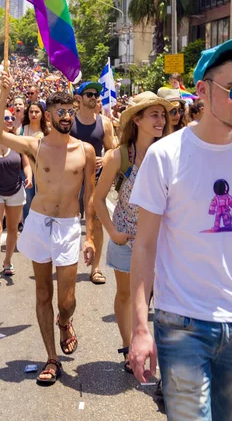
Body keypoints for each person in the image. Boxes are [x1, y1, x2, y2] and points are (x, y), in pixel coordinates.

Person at [129, 40, 232, 420]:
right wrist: (141, 329)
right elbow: (144, 247)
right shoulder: (165, 156)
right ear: (202, 91)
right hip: (183, 325)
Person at [0, 71, 96, 385]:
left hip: (67, 226)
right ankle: (51, 358)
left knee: (67, 300)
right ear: (50, 116)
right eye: (60, 112)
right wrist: (4, 94)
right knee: (42, 292)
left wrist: (89, 235)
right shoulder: (34, 145)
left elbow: (89, 195)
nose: (66, 117)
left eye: (70, 112)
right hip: (38, 223)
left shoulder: (85, 151)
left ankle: (65, 321)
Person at [93, 92, 173, 373]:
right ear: (137, 120)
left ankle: (164, 358)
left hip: (162, 243)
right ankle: (129, 348)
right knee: (127, 296)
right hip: (126, 239)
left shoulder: (170, 153)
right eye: (154, 115)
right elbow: (97, 198)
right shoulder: (119, 156)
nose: (161, 120)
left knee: (159, 301)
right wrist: (112, 232)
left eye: (163, 115)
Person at [71, 81, 117, 285]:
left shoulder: (105, 123)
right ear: (79, 99)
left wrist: (105, 158)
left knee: (96, 223)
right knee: (70, 223)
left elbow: (113, 149)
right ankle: (68, 264)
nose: (93, 97)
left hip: (96, 181)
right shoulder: (69, 122)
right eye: (89, 94)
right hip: (71, 181)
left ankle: (96, 268)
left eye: (96, 94)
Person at [0, 108, 32, 284]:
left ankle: (7, 261)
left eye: (11, 118)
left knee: (12, 228)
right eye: (6, 118)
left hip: (15, 189)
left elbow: (26, 165)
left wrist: (29, 177)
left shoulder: (17, 141)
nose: (10, 120)